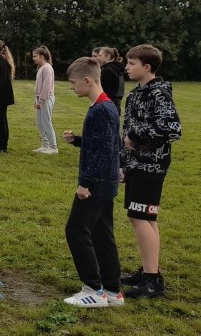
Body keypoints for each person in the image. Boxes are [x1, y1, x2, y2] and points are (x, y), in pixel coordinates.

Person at [119, 44, 181, 299]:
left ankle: (153, 281)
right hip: (135, 165)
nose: (127, 66)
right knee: (141, 217)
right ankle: (148, 271)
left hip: (151, 165)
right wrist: (124, 161)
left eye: (132, 63)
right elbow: (126, 133)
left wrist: (136, 135)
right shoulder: (136, 94)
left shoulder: (159, 94)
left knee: (141, 217)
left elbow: (172, 129)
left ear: (147, 67)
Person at [61, 57, 123, 307]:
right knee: (101, 234)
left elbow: (102, 152)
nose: (71, 87)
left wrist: (85, 184)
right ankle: (113, 291)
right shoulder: (105, 107)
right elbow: (104, 143)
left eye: (73, 82)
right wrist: (77, 140)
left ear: (87, 80)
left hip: (96, 184)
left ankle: (94, 290)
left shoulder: (101, 110)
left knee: (76, 231)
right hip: (105, 182)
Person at [33, 46, 57, 154]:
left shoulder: (47, 68)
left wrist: (41, 101)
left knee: (46, 122)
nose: (33, 58)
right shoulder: (41, 68)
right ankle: (45, 145)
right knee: (40, 123)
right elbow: (39, 87)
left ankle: (53, 147)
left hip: (46, 99)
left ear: (42, 56)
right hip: (41, 99)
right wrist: (36, 100)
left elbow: (46, 87)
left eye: (35, 56)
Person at [96, 47, 126, 114]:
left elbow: (104, 90)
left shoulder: (108, 70)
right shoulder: (117, 69)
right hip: (116, 104)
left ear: (107, 56)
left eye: (100, 55)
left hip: (108, 105)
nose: (98, 58)